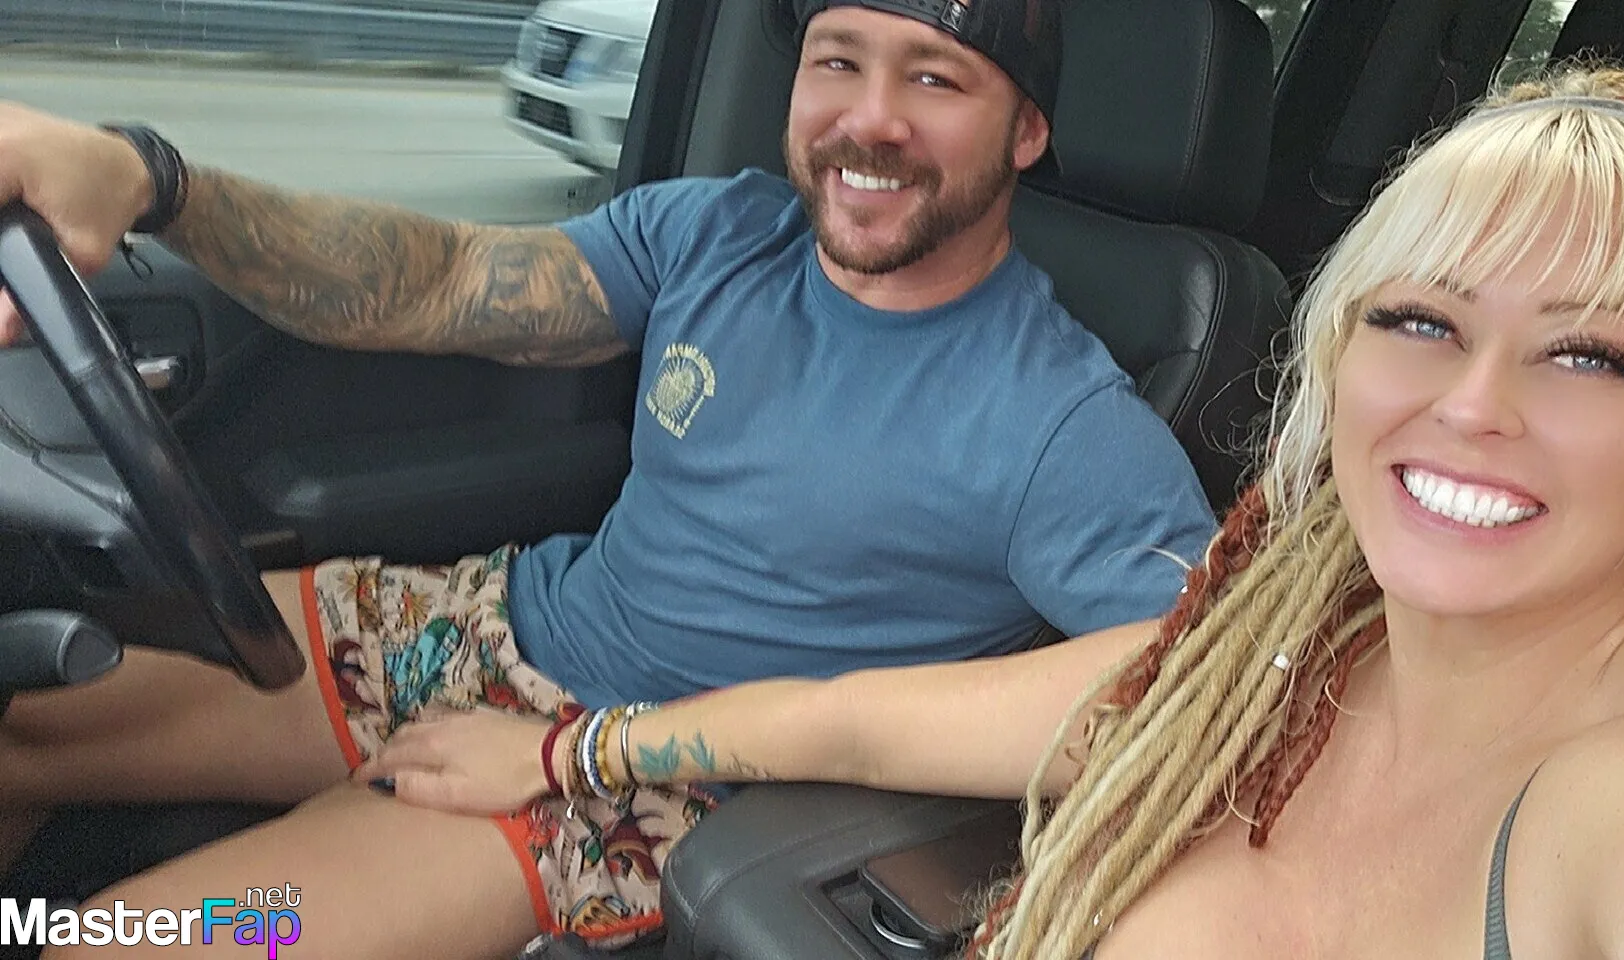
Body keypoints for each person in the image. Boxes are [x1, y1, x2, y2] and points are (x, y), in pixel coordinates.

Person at [357, 67, 1624, 959]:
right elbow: (861, 722)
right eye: (1419, 321)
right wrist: (568, 752)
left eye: (1592, 355)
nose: (1474, 404)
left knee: (245, 930)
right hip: (467, 652)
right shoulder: (1249, 672)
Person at [0, 0, 1221, 954]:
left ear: (1027, 130)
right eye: (837, 60)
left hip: (658, 791)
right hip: (491, 628)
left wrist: (577, 754)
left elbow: (1189, 696)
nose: (872, 118)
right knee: (20, 717)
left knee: (128, 945)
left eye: (936, 79)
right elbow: (440, 281)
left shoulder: (1066, 423)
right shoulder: (723, 232)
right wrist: (158, 184)